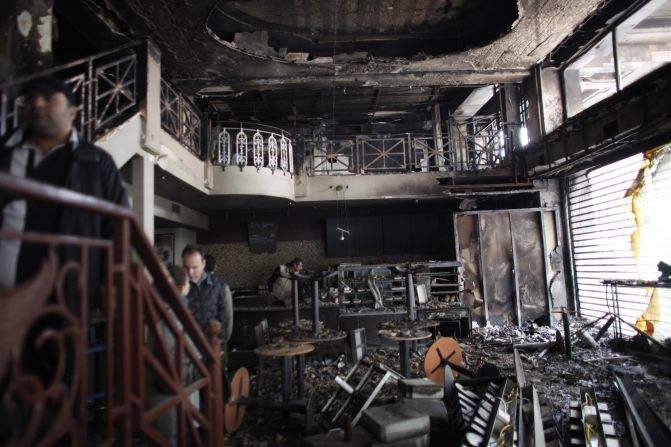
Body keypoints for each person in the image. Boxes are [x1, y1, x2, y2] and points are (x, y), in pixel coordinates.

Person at [0, 76, 129, 301]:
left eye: (49, 98)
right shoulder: (4, 154)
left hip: (67, 296)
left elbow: (117, 226)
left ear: (72, 111)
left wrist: (113, 281)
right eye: (31, 98)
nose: (37, 104)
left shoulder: (97, 162)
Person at [181, 244, 233, 353]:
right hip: (186, 349)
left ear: (203, 264)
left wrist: (221, 346)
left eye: (194, 267)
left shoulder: (220, 287)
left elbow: (226, 320)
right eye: (186, 267)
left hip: (212, 349)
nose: (190, 272)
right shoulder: (180, 287)